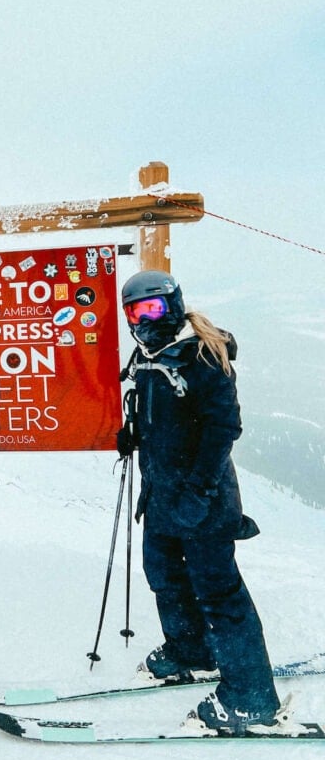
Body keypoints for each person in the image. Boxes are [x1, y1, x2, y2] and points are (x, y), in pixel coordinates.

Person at [118, 269, 281, 735]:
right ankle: (192, 650)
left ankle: (252, 698)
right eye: (134, 310)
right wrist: (134, 432)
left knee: (218, 592)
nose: (143, 319)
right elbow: (156, 412)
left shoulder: (202, 356)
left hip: (203, 500)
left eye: (151, 308)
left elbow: (223, 429)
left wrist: (198, 492)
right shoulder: (148, 356)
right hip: (162, 494)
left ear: (173, 305)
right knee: (164, 575)